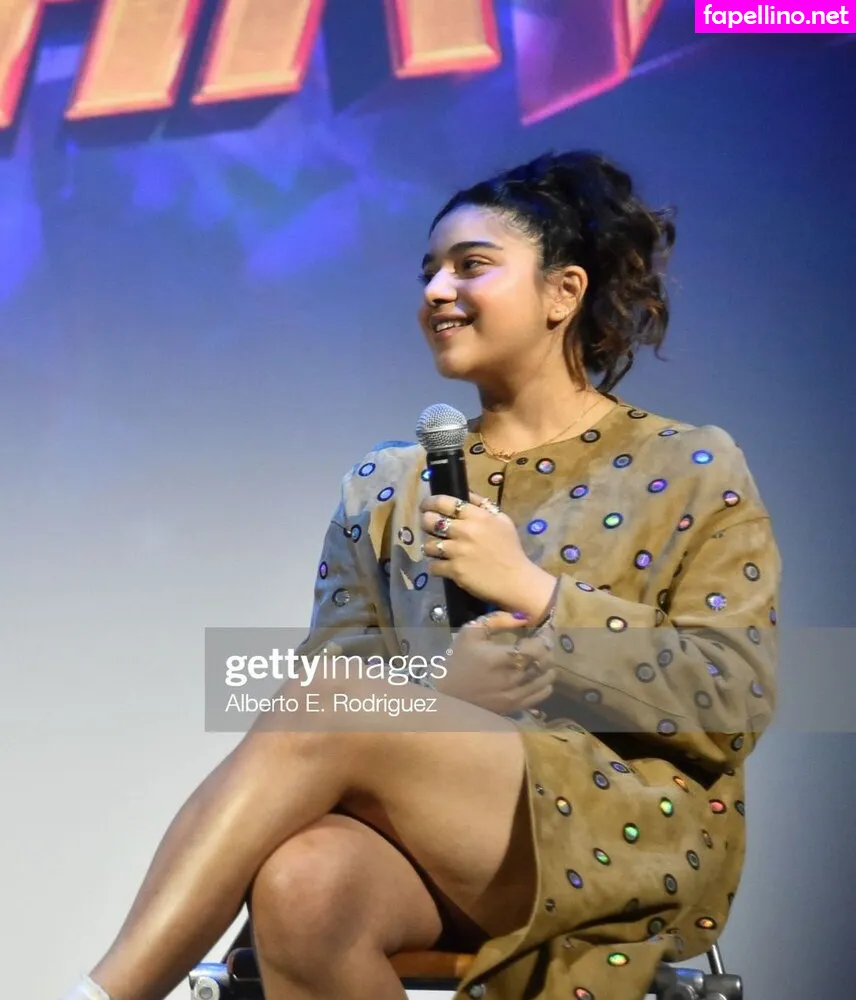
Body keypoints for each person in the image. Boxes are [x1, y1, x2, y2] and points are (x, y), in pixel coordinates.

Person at [61, 151, 780, 1000]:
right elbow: (323, 702)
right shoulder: (385, 483)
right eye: (428, 272)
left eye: (471, 266)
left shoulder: (688, 462)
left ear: (563, 292)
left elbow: (735, 693)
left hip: (624, 823)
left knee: (332, 704)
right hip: (432, 845)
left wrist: (537, 594)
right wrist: (447, 690)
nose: (438, 291)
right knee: (304, 884)